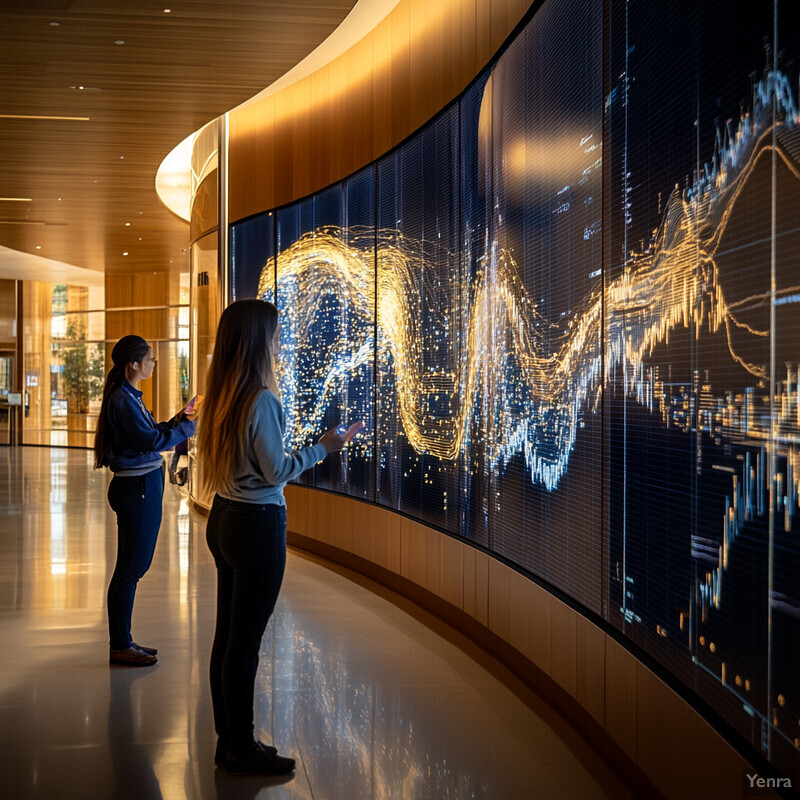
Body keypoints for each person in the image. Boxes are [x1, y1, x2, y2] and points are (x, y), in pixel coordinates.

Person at [197, 299, 362, 777]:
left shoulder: (223, 394)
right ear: (256, 342)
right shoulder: (261, 400)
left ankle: (229, 741)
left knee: (228, 637)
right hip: (255, 526)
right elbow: (276, 471)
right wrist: (324, 448)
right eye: (274, 335)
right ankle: (242, 749)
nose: (279, 343)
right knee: (244, 643)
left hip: (225, 519)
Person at [94, 335, 198, 667]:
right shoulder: (123, 401)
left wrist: (179, 420)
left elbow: (151, 432)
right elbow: (150, 440)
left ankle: (124, 640)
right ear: (133, 365)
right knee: (130, 568)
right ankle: (120, 644)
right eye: (149, 359)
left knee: (135, 565)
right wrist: (188, 429)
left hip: (143, 485)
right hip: (136, 487)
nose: (154, 364)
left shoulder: (130, 397)